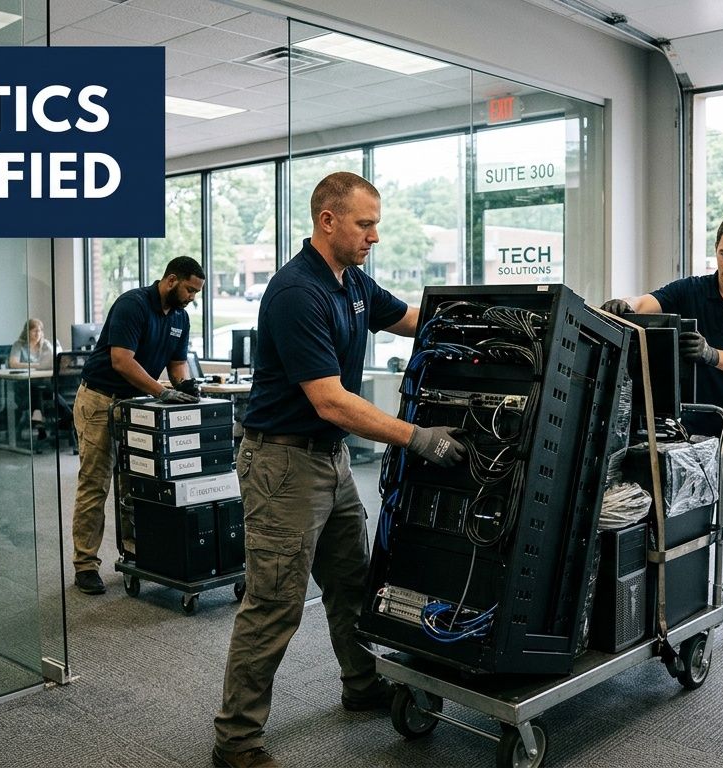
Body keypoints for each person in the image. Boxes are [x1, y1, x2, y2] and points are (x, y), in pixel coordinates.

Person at [212, 172, 465, 768]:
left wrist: (486, 314)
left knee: (353, 583)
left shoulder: (350, 281)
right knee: (274, 603)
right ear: (328, 220)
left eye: (376, 223)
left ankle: (361, 684)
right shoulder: (298, 292)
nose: (374, 235)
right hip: (282, 464)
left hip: (328, 459)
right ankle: (237, 740)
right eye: (365, 223)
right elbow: (329, 400)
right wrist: (416, 438)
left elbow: (408, 318)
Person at [601, 213, 723, 653]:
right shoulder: (692, 290)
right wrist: (625, 305)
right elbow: (649, 302)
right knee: (681, 526)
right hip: (693, 439)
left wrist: (709, 353)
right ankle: (679, 608)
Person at [71, 257, 205, 595]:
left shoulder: (180, 318)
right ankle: (85, 564)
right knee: (96, 482)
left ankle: (137, 553)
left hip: (135, 406)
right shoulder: (133, 304)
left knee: (138, 481)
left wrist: (186, 387)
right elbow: (121, 360)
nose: (192, 297)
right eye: (190, 289)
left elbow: (176, 366)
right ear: (171, 280)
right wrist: (163, 392)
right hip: (100, 400)